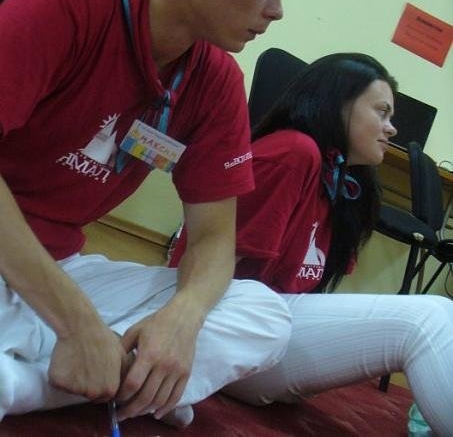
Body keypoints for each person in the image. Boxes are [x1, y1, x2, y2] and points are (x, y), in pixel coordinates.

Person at [0, 0, 312, 426]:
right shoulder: (64, 3)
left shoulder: (217, 80)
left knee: (263, 313)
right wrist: (77, 323)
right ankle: (113, 376)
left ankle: (31, 380)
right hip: (22, 262)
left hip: (60, 268)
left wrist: (181, 321)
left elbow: (214, 240)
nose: (277, 9)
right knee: (57, 323)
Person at [169, 53, 453, 436]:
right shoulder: (294, 153)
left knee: (437, 316)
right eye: (382, 112)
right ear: (339, 104)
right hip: (224, 330)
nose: (392, 128)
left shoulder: (346, 181)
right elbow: (212, 269)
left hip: (265, 332)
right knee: (428, 318)